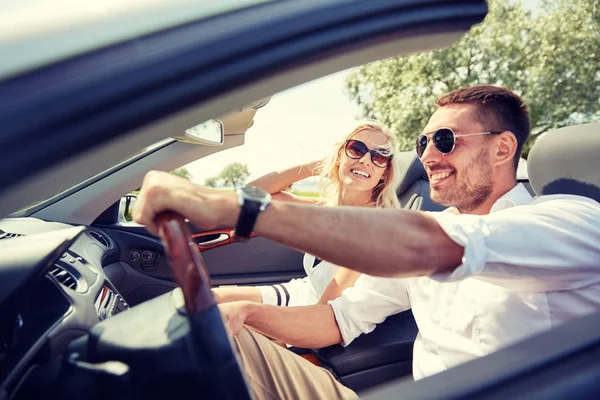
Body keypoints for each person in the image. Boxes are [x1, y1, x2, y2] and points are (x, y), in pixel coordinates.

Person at [133, 85, 600, 399]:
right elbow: (339, 317)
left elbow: (434, 245)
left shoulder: (569, 221)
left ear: (503, 148)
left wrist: (238, 207)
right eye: (422, 144)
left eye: (445, 140)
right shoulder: (431, 231)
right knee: (211, 337)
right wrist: (249, 314)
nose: (428, 156)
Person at [211, 121, 402, 308]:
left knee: (221, 318)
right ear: (339, 155)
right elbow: (253, 192)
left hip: (313, 318)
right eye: (356, 149)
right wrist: (319, 165)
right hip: (300, 293)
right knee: (208, 300)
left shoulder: (372, 230)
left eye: (379, 157)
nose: (365, 160)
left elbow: (322, 315)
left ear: (384, 173)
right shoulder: (327, 209)